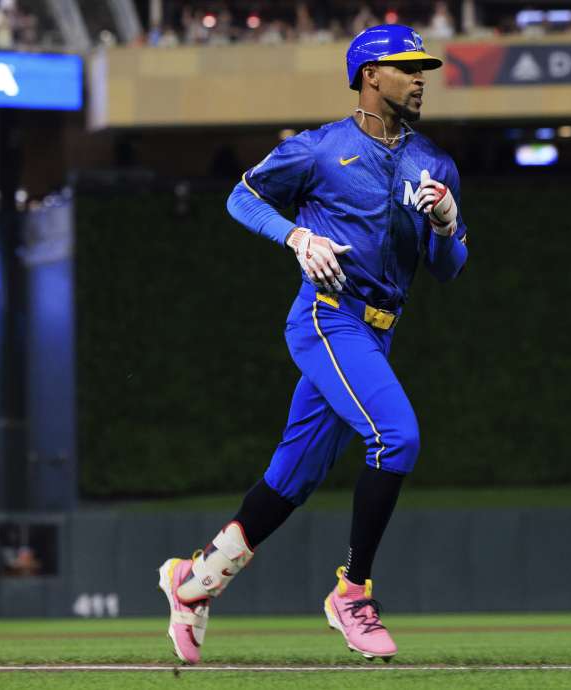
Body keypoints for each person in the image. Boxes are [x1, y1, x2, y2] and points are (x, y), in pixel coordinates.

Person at [156, 24, 467, 666]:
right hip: (328, 317)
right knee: (397, 437)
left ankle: (192, 583)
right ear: (369, 75)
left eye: (423, 68)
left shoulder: (435, 163)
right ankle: (352, 593)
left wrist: (447, 226)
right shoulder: (320, 149)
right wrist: (296, 236)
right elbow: (241, 198)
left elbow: (447, 269)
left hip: (378, 332)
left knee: (289, 481)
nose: (420, 78)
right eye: (407, 66)